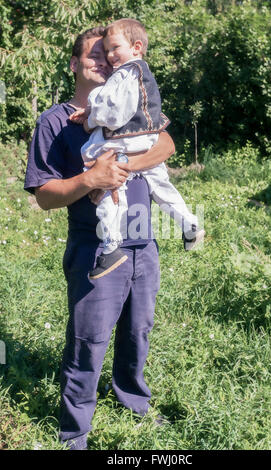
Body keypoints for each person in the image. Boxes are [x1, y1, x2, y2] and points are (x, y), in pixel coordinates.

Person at [24, 25, 175, 450]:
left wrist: (124, 165)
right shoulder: (55, 121)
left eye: (108, 55)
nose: (104, 61)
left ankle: (133, 403)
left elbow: (166, 143)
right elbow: (44, 195)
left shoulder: (130, 98)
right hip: (96, 248)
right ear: (74, 64)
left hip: (144, 240)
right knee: (88, 341)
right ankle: (76, 432)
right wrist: (90, 178)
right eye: (93, 56)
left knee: (137, 332)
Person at [70, 18, 204, 280]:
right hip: (146, 140)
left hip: (124, 142)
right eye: (106, 51)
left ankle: (111, 247)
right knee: (162, 186)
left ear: (136, 46)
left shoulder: (124, 74)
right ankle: (189, 224)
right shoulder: (142, 72)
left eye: (114, 48)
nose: (110, 56)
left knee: (106, 182)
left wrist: (90, 118)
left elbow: (113, 114)